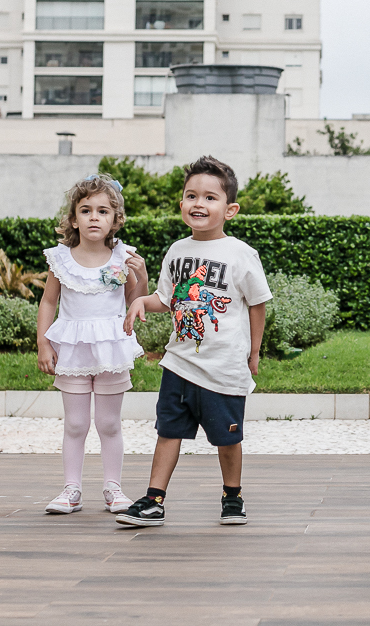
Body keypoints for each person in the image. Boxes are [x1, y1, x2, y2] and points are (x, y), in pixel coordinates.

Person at [116, 156, 271, 528]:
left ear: (230, 209)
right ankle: (154, 500)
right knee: (168, 431)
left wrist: (254, 352)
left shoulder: (240, 254)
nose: (199, 203)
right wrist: (140, 301)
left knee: (227, 438)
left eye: (210, 198)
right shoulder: (177, 251)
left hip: (223, 367)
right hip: (179, 364)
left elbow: (258, 303)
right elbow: (166, 299)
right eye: (191, 196)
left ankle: (232, 497)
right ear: (181, 203)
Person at [37, 173, 148, 516]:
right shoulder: (61, 259)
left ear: (116, 219)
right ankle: (71, 489)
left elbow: (136, 300)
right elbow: (48, 303)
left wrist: (141, 274)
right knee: (75, 424)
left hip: (111, 347)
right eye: (86, 210)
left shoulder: (124, 257)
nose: (94, 217)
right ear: (73, 219)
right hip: (72, 349)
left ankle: (113, 488)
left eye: (103, 211)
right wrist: (43, 343)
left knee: (109, 423)